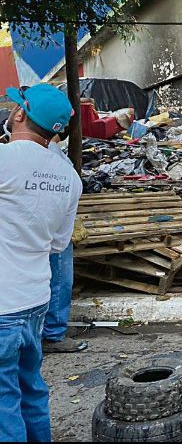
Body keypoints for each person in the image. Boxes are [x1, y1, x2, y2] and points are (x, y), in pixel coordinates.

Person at [0, 84, 81, 442]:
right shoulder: (69, 177)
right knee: (31, 389)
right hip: (35, 302)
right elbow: (58, 244)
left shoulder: (5, 161)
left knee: (4, 402)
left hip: (3, 305)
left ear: (19, 114)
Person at [43, 128, 88, 353]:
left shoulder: (18, 152)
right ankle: (53, 335)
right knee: (59, 279)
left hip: (42, 229)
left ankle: (47, 332)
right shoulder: (53, 158)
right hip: (53, 231)